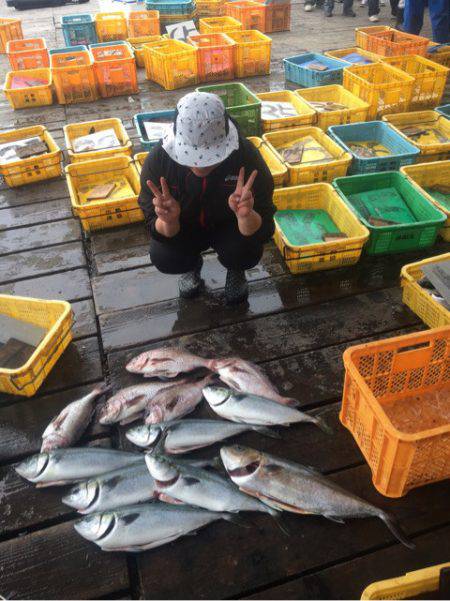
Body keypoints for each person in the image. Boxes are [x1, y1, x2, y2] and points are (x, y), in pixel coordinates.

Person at [138, 91, 276, 305]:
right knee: (165, 257)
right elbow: (152, 225)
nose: (201, 165)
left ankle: (236, 269)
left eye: (212, 156)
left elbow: (265, 226)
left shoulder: (246, 156)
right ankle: (190, 266)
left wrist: (246, 216)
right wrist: (168, 220)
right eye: (192, 156)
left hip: (230, 229)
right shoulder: (158, 161)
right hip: (185, 229)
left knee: (246, 250)